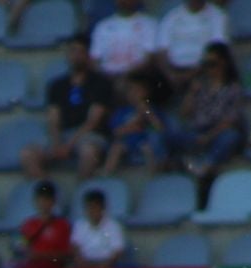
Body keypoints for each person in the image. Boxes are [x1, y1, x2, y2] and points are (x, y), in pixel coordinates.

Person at [22, 33, 113, 181]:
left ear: (88, 55)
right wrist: (57, 143)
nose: (75, 56)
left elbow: (93, 121)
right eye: (72, 51)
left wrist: (69, 146)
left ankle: (80, 193)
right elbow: (53, 118)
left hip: (89, 135)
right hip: (63, 135)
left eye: (80, 51)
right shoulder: (57, 85)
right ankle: (51, 196)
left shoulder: (100, 83)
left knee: (88, 153)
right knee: (28, 154)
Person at [166, 40, 243, 196]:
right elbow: (184, 113)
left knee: (230, 136)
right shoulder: (200, 85)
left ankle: (205, 167)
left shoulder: (233, 88)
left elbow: (230, 120)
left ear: (223, 63)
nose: (208, 68)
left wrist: (208, 137)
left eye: (212, 64)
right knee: (170, 133)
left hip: (217, 131)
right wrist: (192, 93)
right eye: (205, 64)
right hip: (196, 131)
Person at [102, 70, 166, 174]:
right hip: (127, 143)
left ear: (146, 92)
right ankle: (107, 175)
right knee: (116, 148)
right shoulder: (122, 111)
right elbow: (116, 131)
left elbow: (159, 128)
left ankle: (153, 177)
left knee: (148, 149)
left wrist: (146, 112)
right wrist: (132, 126)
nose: (133, 94)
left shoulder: (151, 109)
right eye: (131, 90)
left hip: (145, 142)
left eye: (137, 90)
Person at [153, 0, 227, 90]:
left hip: (203, 71)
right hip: (174, 72)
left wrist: (190, 75)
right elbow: (161, 51)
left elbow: (217, 51)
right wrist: (171, 75)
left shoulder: (218, 17)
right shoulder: (172, 17)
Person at [90, 0, 158, 80]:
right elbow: (95, 59)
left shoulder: (149, 24)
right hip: (107, 79)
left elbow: (150, 58)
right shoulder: (103, 26)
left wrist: (127, 76)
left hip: (137, 78)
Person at [17, 178, 72, 268]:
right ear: (35, 201)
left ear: (53, 201)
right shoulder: (28, 224)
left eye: (47, 199)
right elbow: (22, 247)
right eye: (40, 199)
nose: (43, 203)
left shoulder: (63, 225)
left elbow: (66, 255)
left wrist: (40, 256)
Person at [70, 188, 126, 266]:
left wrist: (103, 265)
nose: (92, 211)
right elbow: (75, 247)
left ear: (103, 208)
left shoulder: (114, 226)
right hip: (84, 266)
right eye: (89, 207)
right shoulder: (79, 225)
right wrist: (82, 263)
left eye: (95, 207)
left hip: (108, 266)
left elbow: (117, 251)